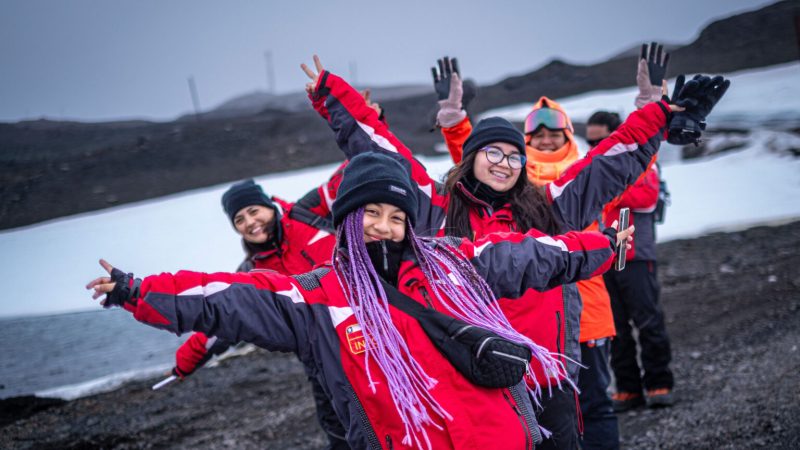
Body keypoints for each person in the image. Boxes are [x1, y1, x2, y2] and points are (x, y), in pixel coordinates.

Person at [88, 150, 633, 450]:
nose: (384, 226)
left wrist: (602, 247)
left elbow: (533, 255)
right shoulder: (317, 295)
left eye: (396, 217)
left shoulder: (452, 261)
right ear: (347, 219)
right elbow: (224, 301)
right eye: (371, 213)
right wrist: (138, 291)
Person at [305, 54, 679, 450]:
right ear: (472, 157)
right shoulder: (438, 208)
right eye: (493, 153)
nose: (505, 164)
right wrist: (332, 93)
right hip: (474, 383)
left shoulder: (549, 206)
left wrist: (655, 114)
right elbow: (382, 149)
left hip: (546, 378)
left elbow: (607, 164)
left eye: (514, 156)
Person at [602, 42, 676, 412]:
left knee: (647, 318)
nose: (599, 147)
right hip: (604, 256)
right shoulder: (604, 165)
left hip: (635, 252)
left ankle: (659, 382)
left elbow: (644, 195)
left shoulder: (644, 160)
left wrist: (609, 195)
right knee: (614, 325)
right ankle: (628, 389)